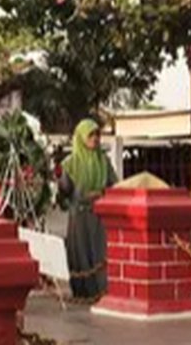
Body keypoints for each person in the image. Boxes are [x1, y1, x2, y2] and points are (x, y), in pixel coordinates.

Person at [58, 118, 118, 300]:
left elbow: (114, 185)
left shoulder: (104, 162)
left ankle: (100, 290)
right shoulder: (70, 163)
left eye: (97, 134)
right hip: (79, 215)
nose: (95, 138)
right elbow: (64, 190)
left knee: (99, 250)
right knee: (80, 251)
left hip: (98, 215)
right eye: (91, 135)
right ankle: (82, 291)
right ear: (81, 137)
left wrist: (101, 193)